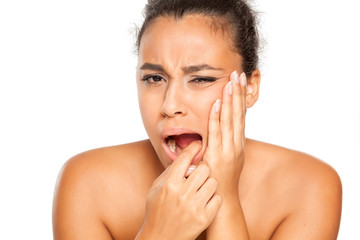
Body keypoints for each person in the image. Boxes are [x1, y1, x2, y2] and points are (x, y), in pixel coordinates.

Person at [52, 0, 342, 239]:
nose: (170, 105)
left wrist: (225, 200)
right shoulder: (87, 183)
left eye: (201, 78)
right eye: (154, 78)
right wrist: (158, 234)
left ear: (250, 88)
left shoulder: (309, 186)